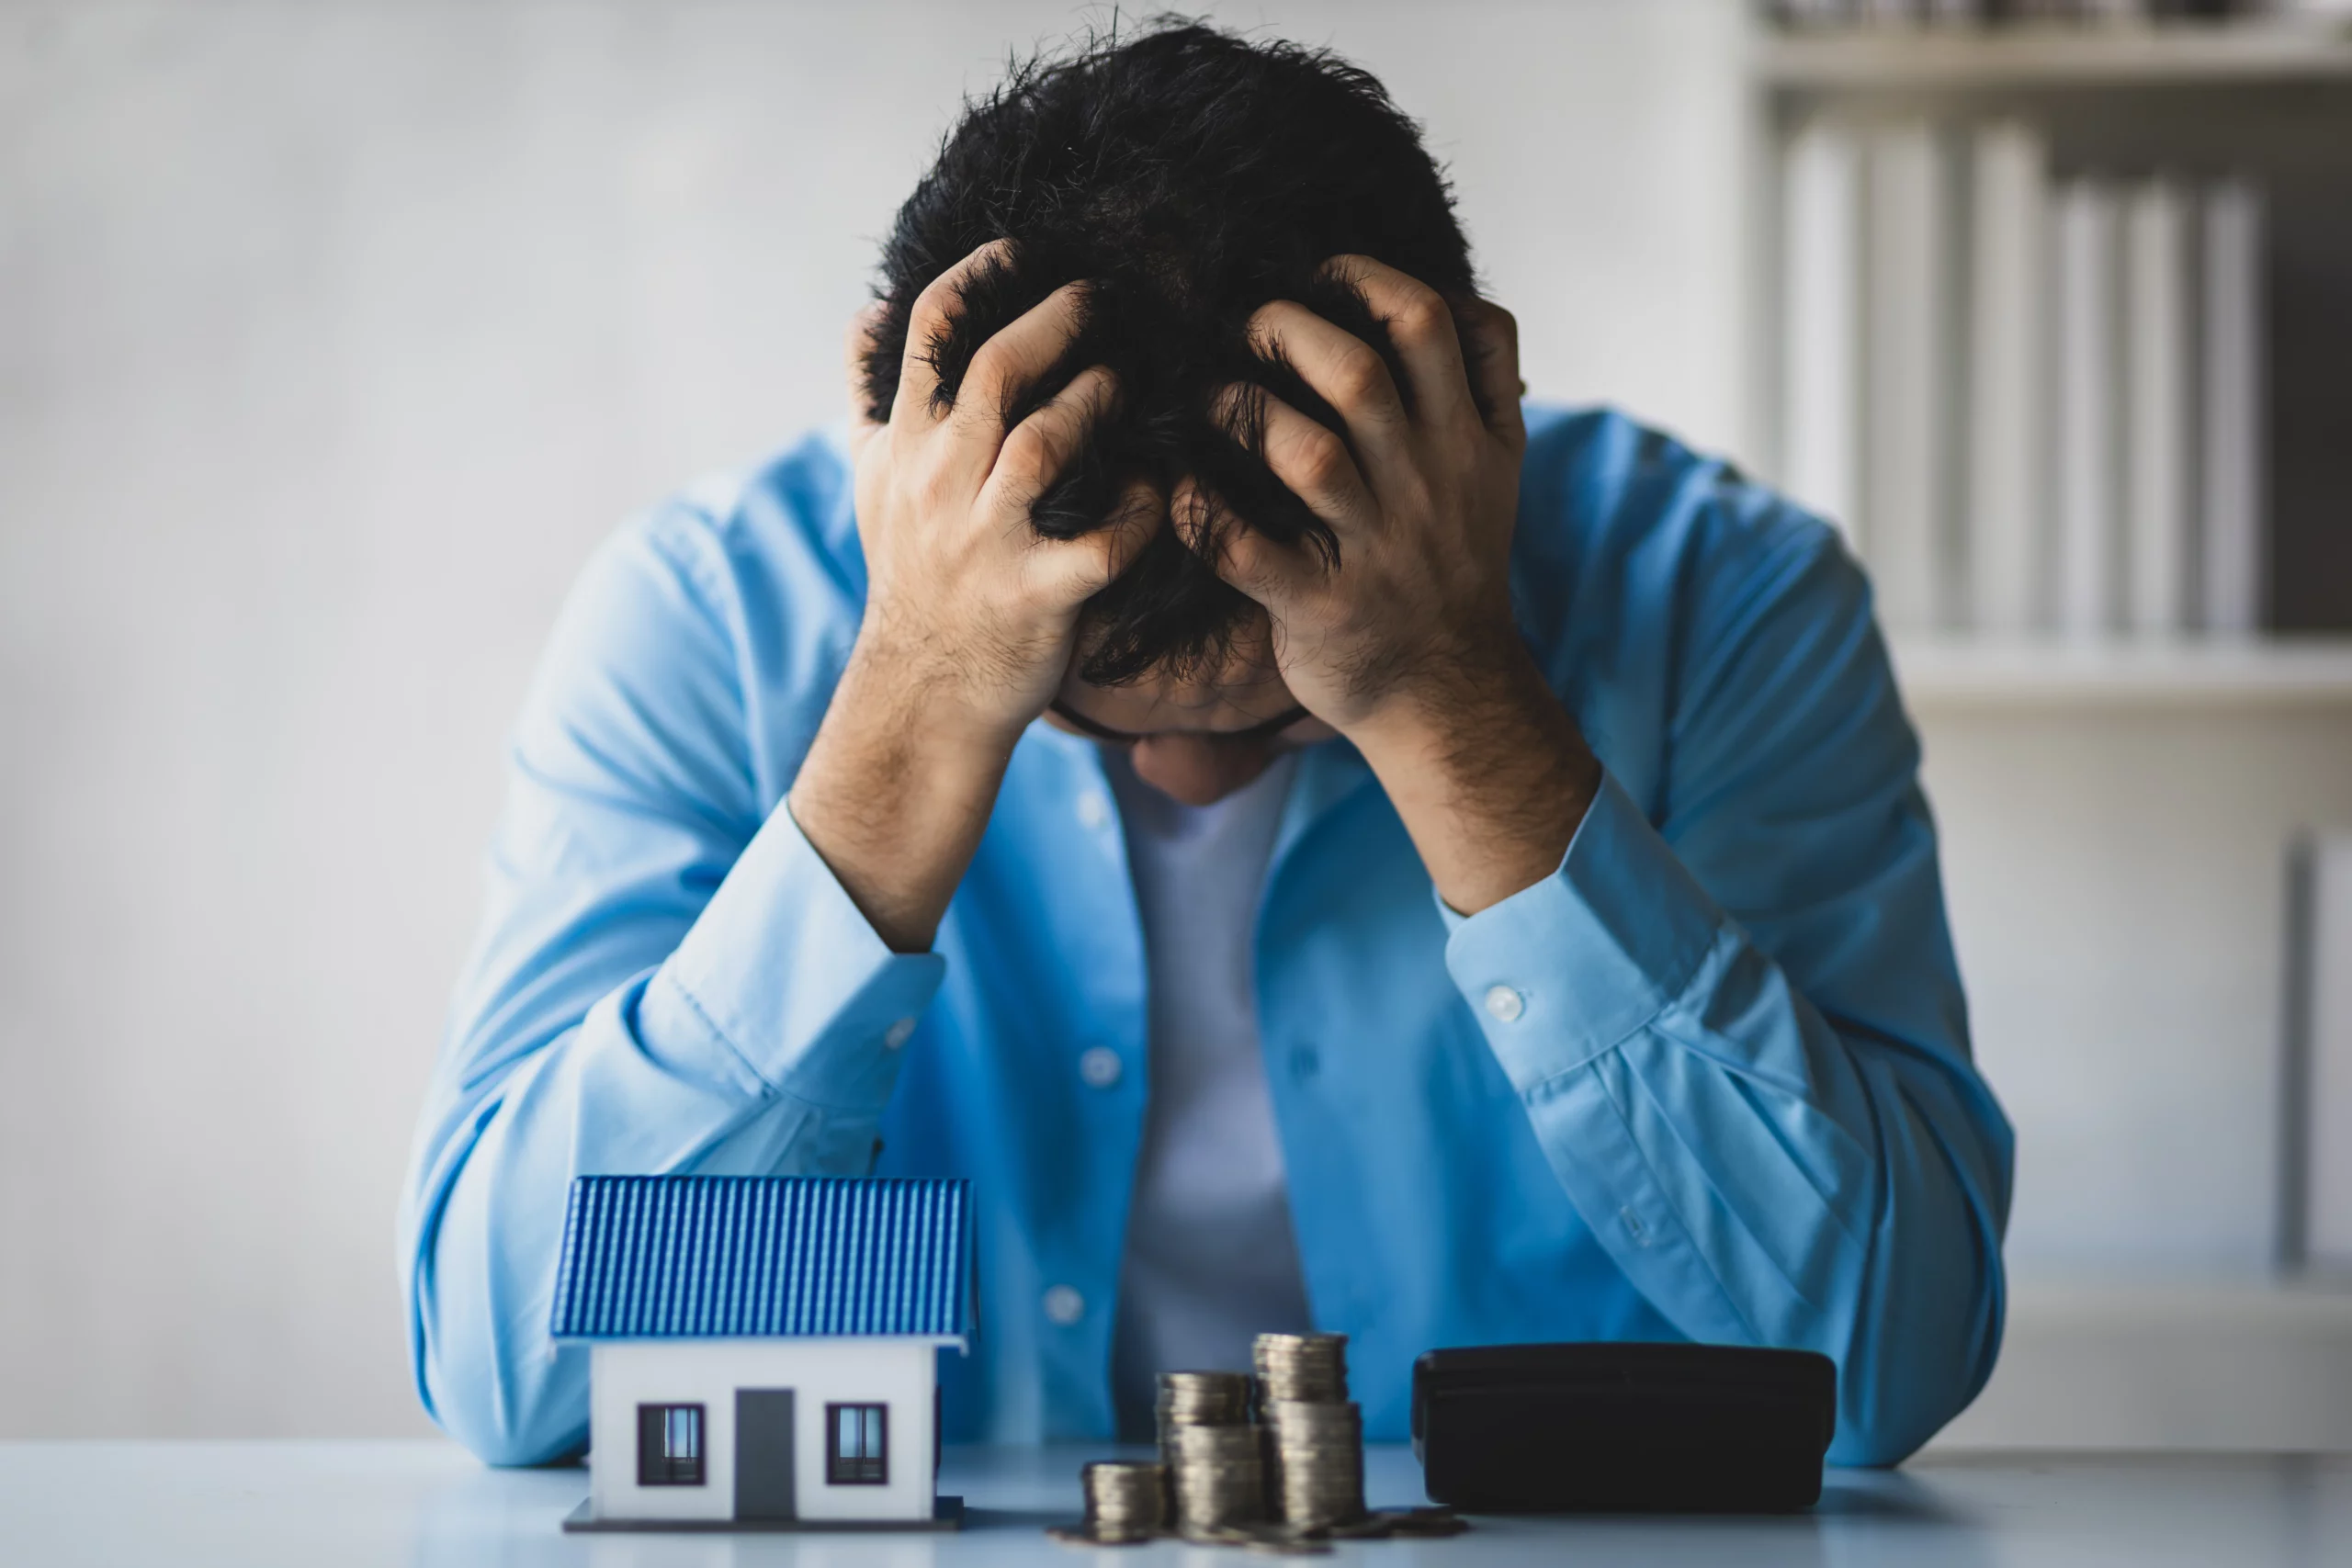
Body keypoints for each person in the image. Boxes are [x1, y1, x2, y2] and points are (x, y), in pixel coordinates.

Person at [397, 20, 2011, 1470]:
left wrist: (1449, 692)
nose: (1189, 777)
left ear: (1482, 406)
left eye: (1292, 707)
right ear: (886, 421)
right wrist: (917, 706)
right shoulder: (706, 623)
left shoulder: (1726, 605)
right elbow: (501, 1372)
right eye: (1078, 710)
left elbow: (1887, 1360)